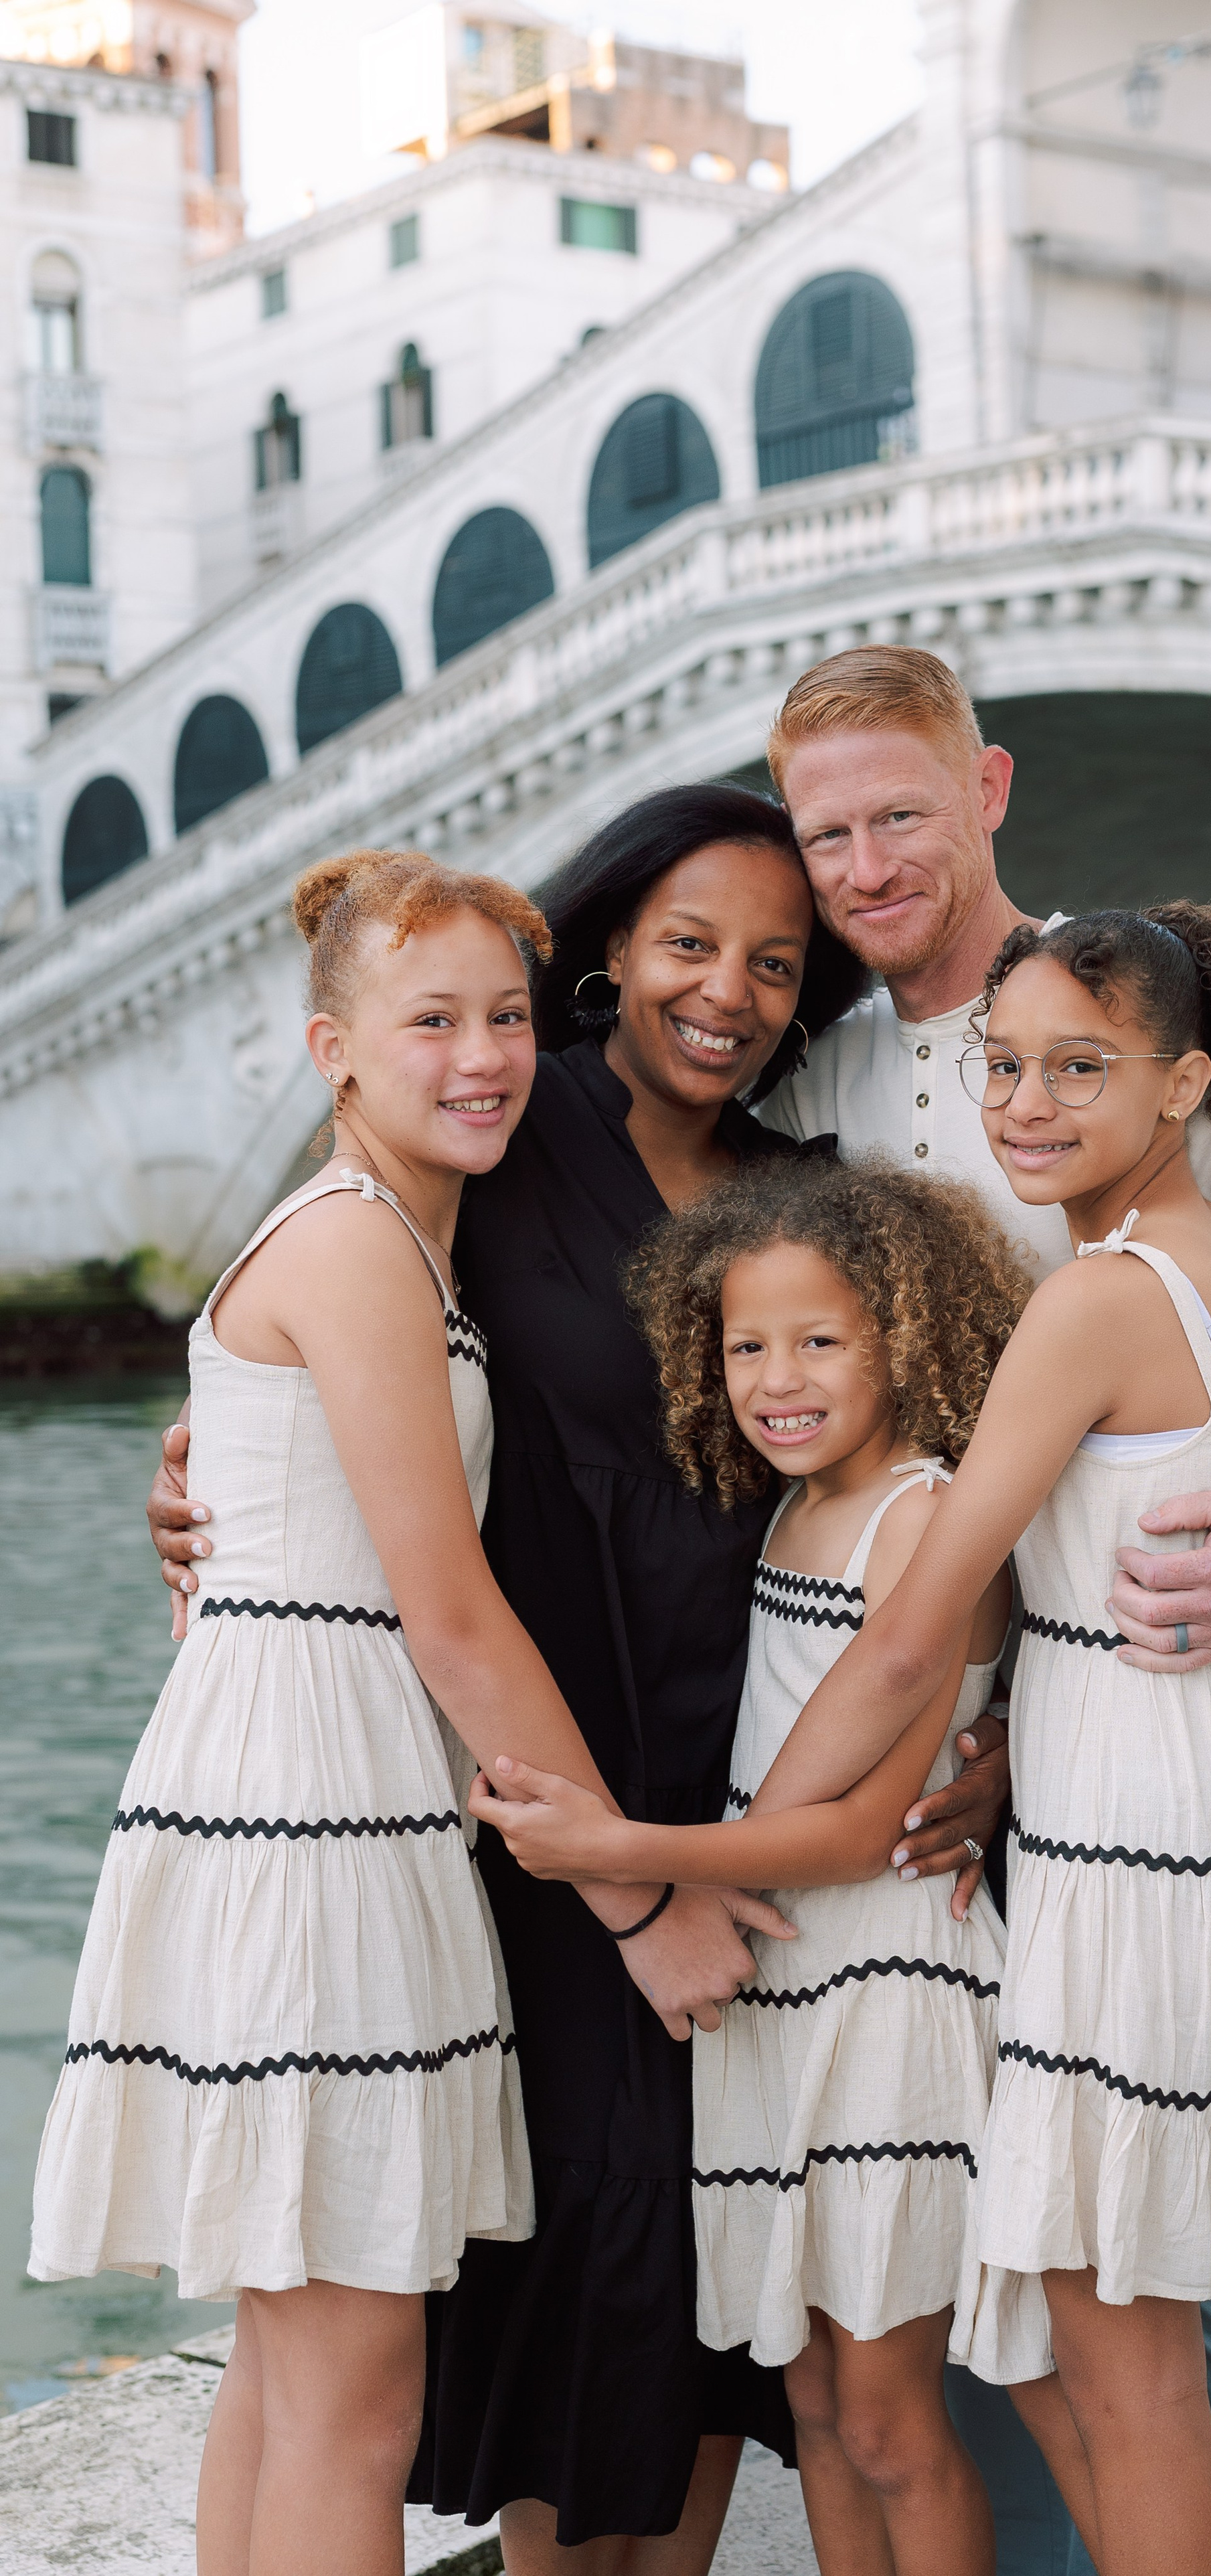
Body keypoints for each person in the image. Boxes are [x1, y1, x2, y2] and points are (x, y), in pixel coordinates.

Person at [145, 787, 1010, 2573]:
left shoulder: (811, 1196)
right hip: (526, 1809)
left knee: (690, 2294)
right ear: (607, 946)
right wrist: (207, 1482)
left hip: (743, 1799)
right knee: (549, 2274)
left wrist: (991, 1727)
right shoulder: (495, 1127)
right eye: (691, 942)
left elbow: (929, 1486)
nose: (731, 991)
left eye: (778, 964)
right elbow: (331, 1379)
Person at [485, 905, 1211, 2576]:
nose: (1027, 1106)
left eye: (1077, 1069)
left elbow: (917, 1623)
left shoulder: (1095, 1300)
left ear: (1186, 1082)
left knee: (1124, 2374)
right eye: (1003, 1068)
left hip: (1139, 1829)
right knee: (1140, 2343)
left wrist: (714, 1840)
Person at [755, 648, 1211, 2575]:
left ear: (989, 787)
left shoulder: (1165, 1018)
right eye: (829, 831)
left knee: (1164, 2253)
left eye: (902, 809)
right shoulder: (824, 1069)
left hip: (1139, 1705)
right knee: (1020, 2230)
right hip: (986, 1720)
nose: (870, 859)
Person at [31, 850, 621, 2576]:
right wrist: (629, 1883)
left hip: (313, 1796)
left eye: (506, 1015)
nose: (483, 1053)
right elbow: (446, 1612)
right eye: (429, 1018)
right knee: (356, 2399)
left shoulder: (388, 1243)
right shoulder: (359, 1249)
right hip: (312, 1822)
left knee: (289, 2378)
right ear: (331, 1048)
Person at [483, 1153, 1031, 2576]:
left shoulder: (924, 1516)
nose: (775, 1376)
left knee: (893, 2415)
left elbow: (861, 1831)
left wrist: (623, 1852)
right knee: (808, 2392)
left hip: (882, 1999)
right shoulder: (792, 1508)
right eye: (744, 1344)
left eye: (819, 1339)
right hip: (784, 1997)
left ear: (903, 1337)